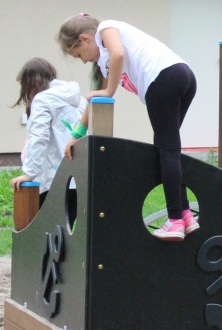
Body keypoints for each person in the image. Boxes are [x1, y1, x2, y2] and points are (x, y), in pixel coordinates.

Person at [57, 14, 198, 241]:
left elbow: (118, 54)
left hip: (163, 78)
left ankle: (174, 220)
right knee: (167, 149)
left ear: (84, 38)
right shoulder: (105, 62)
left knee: (167, 149)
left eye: (79, 55)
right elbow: (96, 98)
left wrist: (110, 91)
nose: (83, 61)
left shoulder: (106, 28)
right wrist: (77, 134)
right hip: (183, 77)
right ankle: (184, 214)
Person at [9, 58, 87, 206]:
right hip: (80, 179)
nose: (28, 94)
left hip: (53, 180)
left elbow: (39, 137)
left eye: (25, 86)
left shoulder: (43, 99)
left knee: (48, 220)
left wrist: (30, 174)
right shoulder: (80, 101)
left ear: (35, 82)